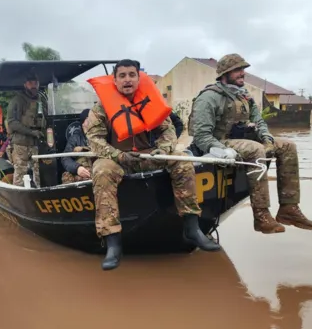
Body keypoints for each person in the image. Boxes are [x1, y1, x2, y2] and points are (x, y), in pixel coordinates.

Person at [85, 59, 221, 271]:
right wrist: (117, 155)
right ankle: (112, 241)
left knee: (182, 162)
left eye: (132, 74)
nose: (127, 79)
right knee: (101, 171)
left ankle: (192, 227)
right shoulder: (101, 107)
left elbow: (167, 131)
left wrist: (163, 151)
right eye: (122, 75)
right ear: (115, 80)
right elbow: (94, 138)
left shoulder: (150, 101)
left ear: (139, 78)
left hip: (150, 155)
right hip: (117, 159)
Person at [187, 53, 312, 234]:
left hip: (243, 141)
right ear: (224, 74)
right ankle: (261, 216)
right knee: (256, 149)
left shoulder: (244, 96)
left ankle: (289, 208)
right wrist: (223, 150)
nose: (242, 73)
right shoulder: (209, 97)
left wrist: (267, 139)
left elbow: (259, 122)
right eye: (237, 70)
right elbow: (201, 136)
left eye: (243, 69)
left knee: (288, 146)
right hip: (220, 143)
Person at [6, 72, 47, 187]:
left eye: (36, 83)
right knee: (20, 172)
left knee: (39, 171)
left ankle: (39, 193)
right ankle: (17, 198)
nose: (34, 86)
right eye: (30, 83)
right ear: (25, 84)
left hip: (37, 142)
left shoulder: (42, 99)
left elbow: (46, 118)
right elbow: (12, 122)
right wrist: (31, 132)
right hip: (21, 143)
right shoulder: (17, 101)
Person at [60, 108, 93, 183]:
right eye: (88, 119)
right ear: (83, 123)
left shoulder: (101, 137)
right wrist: (77, 168)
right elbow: (65, 158)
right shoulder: (75, 138)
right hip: (81, 171)